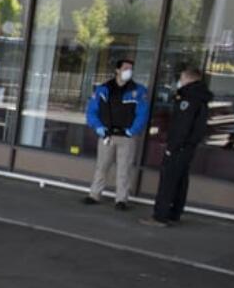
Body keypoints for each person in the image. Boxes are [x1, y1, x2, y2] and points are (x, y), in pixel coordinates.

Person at [141, 67, 212, 228]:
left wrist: (172, 147)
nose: (180, 81)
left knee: (168, 181)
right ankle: (175, 213)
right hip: (189, 147)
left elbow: (182, 126)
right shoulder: (201, 97)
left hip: (179, 147)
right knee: (180, 180)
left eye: (181, 78)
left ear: (188, 79)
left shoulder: (188, 99)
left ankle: (160, 216)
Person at [82, 58, 150, 210]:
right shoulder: (103, 89)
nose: (129, 71)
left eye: (131, 68)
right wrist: (98, 127)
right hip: (107, 135)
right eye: (126, 68)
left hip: (127, 136)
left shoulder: (138, 91)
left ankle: (121, 200)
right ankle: (94, 195)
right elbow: (92, 111)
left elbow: (142, 114)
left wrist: (132, 130)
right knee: (102, 166)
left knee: (124, 168)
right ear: (117, 70)